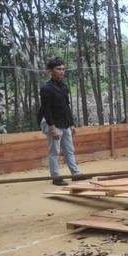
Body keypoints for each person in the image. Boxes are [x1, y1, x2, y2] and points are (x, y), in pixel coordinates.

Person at [37, 58, 81, 186]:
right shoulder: (46, 88)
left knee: (69, 150)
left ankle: (76, 174)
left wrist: (72, 123)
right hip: (54, 125)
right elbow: (46, 109)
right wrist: (52, 128)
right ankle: (56, 177)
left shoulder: (64, 87)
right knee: (54, 152)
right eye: (58, 69)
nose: (62, 71)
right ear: (51, 71)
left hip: (65, 124)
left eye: (63, 69)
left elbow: (66, 106)